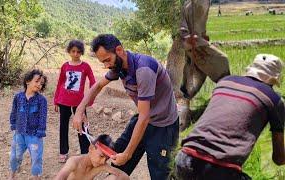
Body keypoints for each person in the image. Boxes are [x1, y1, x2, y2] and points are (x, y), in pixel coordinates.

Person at [72, 34, 179, 179]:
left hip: (163, 126)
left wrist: (128, 154)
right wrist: (79, 110)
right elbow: (97, 86)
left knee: (161, 174)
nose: (106, 65)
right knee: (118, 161)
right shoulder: (118, 66)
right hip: (144, 118)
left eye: (107, 60)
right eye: (103, 62)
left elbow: (144, 117)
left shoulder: (144, 69)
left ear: (119, 50)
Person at [175, 54, 285, 179]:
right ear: (273, 80)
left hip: (184, 159)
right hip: (219, 169)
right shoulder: (274, 99)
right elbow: (279, 158)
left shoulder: (225, 82)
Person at [177, 0, 230, 131]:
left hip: (194, 43)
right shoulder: (193, 3)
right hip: (193, 44)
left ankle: (182, 121)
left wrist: (202, 35)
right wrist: (187, 37)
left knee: (196, 77)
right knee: (222, 62)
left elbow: (196, 23)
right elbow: (182, 23)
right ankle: (227, 105)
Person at [54, 40, 96, 163]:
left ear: (81, 52)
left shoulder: (85, 66)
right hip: (63, 100)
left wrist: (91, 99)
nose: (76, 54)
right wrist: (56, 100)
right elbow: (60, 83)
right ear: (69, 52)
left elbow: (93, 83)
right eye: (73, 51)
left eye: (78, 52)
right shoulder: (65, 66)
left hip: (79, 103)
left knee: (83, 127)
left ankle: (85, 152)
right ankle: (63, 151)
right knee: (63, 126)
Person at [9, 69, 48, 180]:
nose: (39, 85)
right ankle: (12, 175)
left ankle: (36, 176)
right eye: (36, 81)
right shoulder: (18, 97)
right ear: (27, 81)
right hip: (19, 133)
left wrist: (41, 131)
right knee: (14, 156)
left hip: (35, 135)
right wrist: (13, 123)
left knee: (36, 157)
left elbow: (42, 116)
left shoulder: (42, 100)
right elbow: (14, 111)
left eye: (41, 83)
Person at [54, 134, 129, 180]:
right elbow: (60, 178)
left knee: (114, 178)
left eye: (106, 159)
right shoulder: (74, 162)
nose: (103, 161)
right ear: (91, 148)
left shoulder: (101, 165)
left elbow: (125, 177)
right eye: (101, 156)